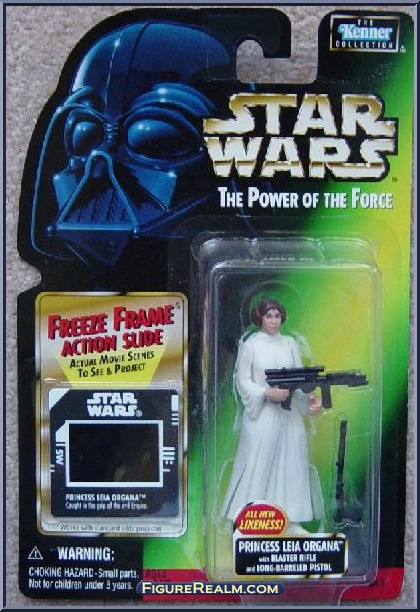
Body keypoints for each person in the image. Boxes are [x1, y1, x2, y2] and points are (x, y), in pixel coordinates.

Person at [221, 298, 324, 533]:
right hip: (262, 417)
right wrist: (266, 392)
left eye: (277, 316)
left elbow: (299, 379)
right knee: (257, 464)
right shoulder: (251, 345)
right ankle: (245, 518)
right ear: (260, 318)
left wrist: (310, 400)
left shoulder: (290, 344)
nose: (274, 321)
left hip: (289, 415)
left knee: (293, 462)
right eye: (269, 316)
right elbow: (242, 380)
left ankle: (291, 520)